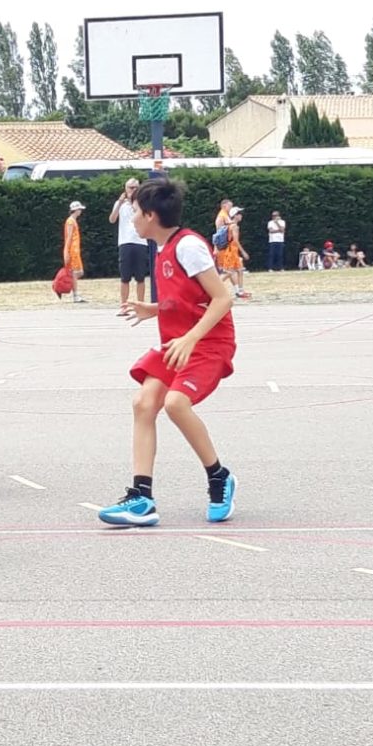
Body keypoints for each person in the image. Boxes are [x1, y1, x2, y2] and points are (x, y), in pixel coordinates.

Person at [98, 176, 236, 529]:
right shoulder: (162, 248)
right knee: (144, 403)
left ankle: (219, 477)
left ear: (150, 215)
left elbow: (222, 298)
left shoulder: (188, 246)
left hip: (207, 344)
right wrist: (155, 309)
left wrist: (191, 338)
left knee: (175, 404)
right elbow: (188, 299)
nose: (132, 219)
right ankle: (142, 498)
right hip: (178, 342)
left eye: (135, 212)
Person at [109, 179, 148, 308]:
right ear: (125, 189)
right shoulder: (120, 203)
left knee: (140, 276)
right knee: (124, 276)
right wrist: (120, 203)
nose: (133, 190)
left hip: (140, 241)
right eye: (130, 187)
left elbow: (145, 217)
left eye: (136, 187)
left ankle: (140, 305)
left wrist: (134, 203)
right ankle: (124, 305)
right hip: (125, 241)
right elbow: (112, 219)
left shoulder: (143, 203)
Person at [216, 206, 250, 298]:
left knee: (239, 270)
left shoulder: (229, 225)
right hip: (232, 251)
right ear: (235, 215)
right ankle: (214, 287)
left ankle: (240, 291)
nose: (241, 216)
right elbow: (235, 240)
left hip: (232, 251)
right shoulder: (234, 226)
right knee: (229, 272)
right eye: (239, 214)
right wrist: (243, 252)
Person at [63, 200, 87, 303]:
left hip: (75, 249)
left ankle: (75, 292)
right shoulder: (70, 221)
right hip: (72, 250)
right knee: (75, 272)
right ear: (75, 210)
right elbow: (68, 237)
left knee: (78, 272)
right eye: (79, 209)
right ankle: (75, 294)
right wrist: (66, 252)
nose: (80, 211)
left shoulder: (73, 221)